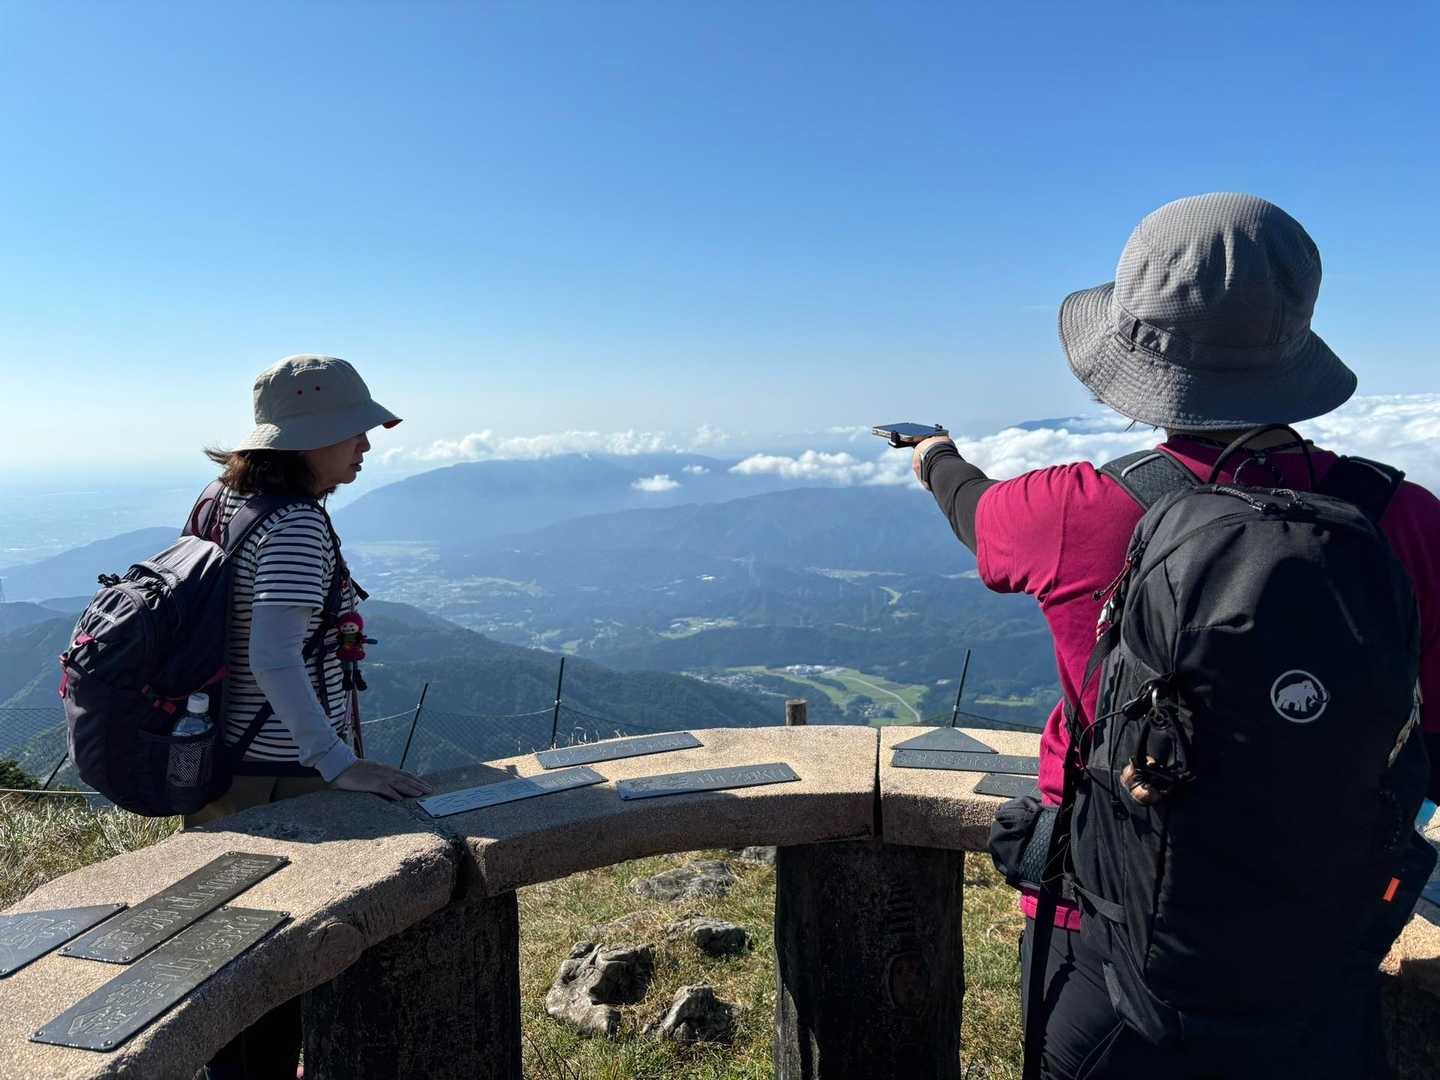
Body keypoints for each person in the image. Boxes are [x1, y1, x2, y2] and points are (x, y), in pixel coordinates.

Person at [911, 193, 1440, 1079]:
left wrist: (935, 457)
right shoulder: (1408, 520)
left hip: (1110, 951)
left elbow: (976, 513)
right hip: (1321, 951)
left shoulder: (1073, 510)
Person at [185, 354, 432, 1080]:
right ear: (306, 440)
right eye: (352, 430)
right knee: (279, 960)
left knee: (227, 957)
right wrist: (336, 762)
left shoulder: (222, 501)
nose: (366, 445)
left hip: (219, 761)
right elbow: (274, 657)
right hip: (279, 773)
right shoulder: (294, 525)